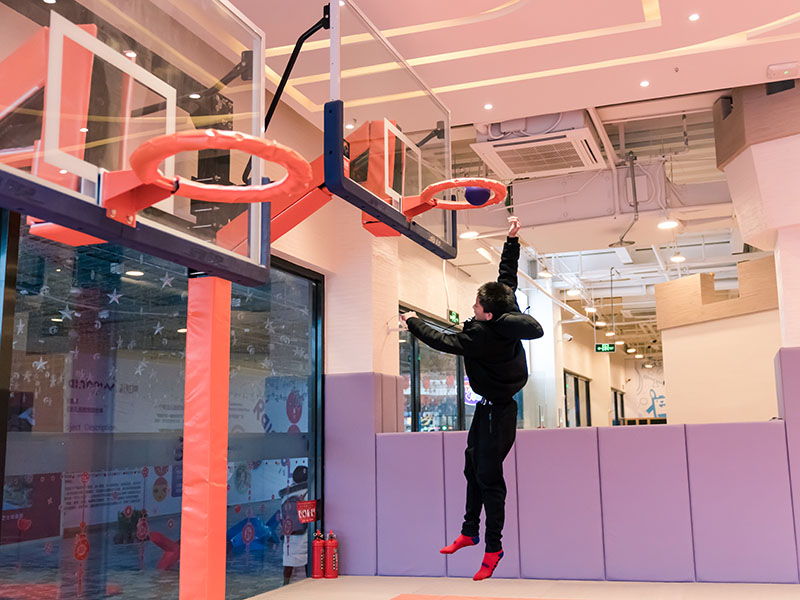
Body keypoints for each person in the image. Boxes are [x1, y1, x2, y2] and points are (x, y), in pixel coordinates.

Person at [401, 216, 543, 581]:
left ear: (489, 313)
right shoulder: (502, 311)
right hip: (488, 410)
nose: (474, 307)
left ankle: (493, 548)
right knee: (471, 466)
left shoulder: (482, 336)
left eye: (478, 305)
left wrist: (413, 320)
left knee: (489, 478)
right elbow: (506, 278)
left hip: (500, 413)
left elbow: (442, 341)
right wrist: (512, 241)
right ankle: (469, 531)